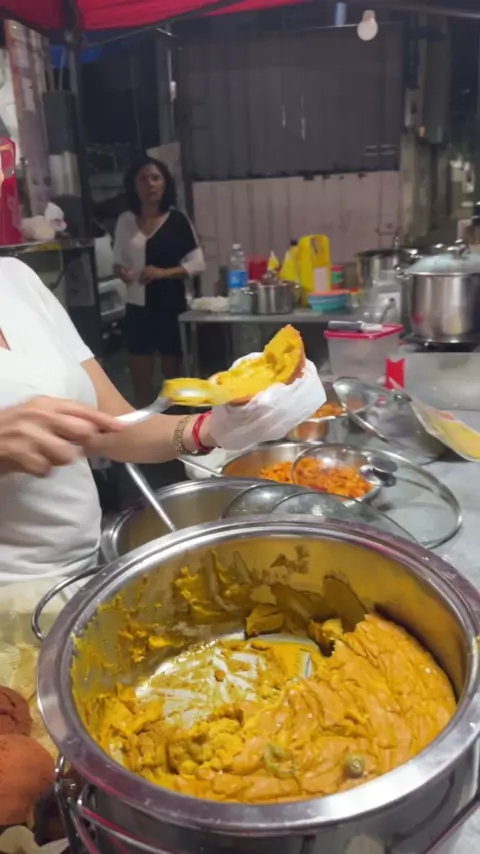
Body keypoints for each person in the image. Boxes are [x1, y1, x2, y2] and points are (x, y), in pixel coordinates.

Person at [113, 156, 205, 407]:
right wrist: (121, 271)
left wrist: (162, 273)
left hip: (170, 306)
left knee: (172, 379)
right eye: (143, 179)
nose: (150, 184)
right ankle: (144, 424)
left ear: (165, 184)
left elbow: (198, 264)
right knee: (140, 378)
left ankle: (176, 425)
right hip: (137, 308)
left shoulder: (177, 221)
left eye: (156, 178)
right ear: (134, 186)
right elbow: (118, 260)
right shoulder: (125, 221)